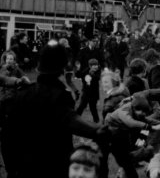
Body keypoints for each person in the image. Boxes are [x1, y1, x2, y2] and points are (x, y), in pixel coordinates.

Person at [1, 39, 105, 178]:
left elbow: (7, 136)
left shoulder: (22, 95)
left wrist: (11, 169)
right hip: (54, 167)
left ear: (38, 66)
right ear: (62, 68)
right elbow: (72, 121)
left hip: (23, 168)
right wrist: (99, 130)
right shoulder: (60, 97)